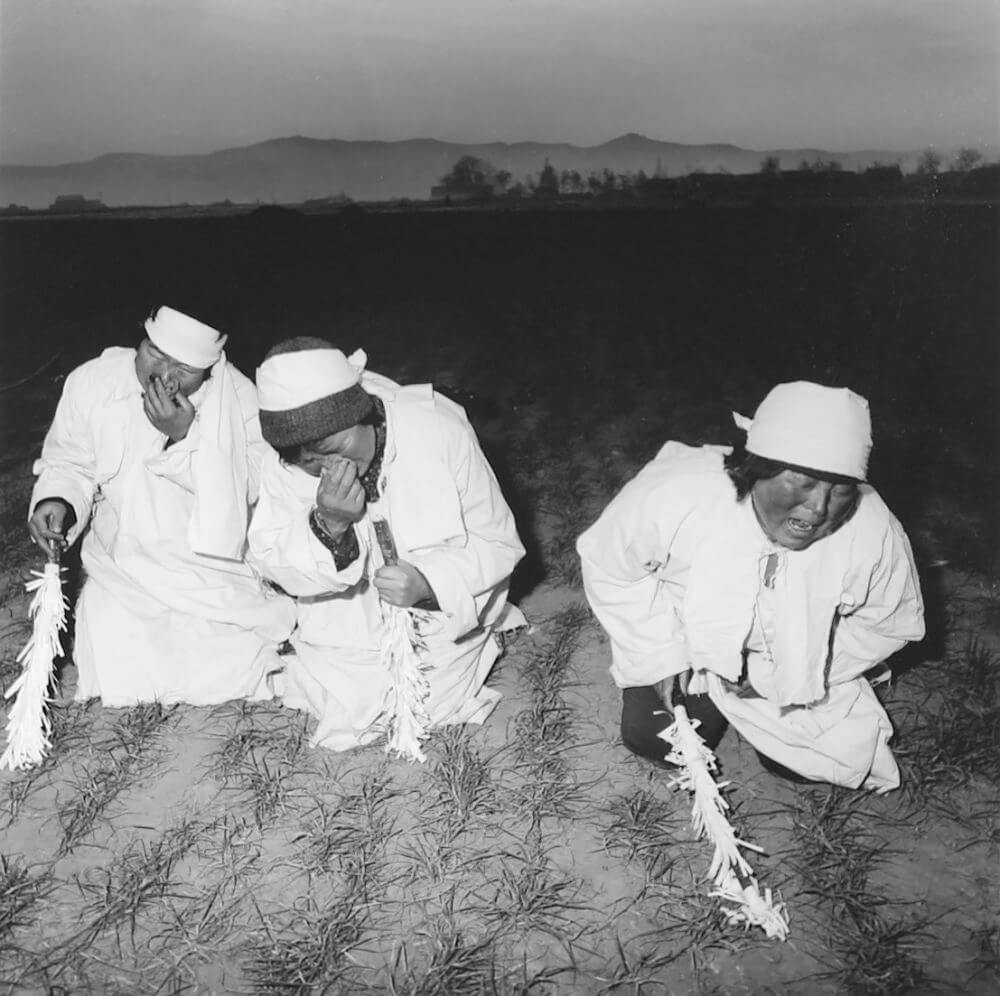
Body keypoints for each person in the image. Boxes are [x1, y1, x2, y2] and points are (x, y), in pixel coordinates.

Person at [576, 381, 925, 792]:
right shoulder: (678, 494)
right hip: (687, 634)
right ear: (756, 467)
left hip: (795, 651)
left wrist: (780, 676)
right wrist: (660, 655)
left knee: (816, 763)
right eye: (803, 481)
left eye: (841, 489)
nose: (818, 508)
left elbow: (889, 624)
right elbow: (611, 565)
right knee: (653, 738)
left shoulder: (872, 531)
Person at [247, 336, 526, 753]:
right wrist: (330, 524)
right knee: (349, 703)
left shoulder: (438, 429)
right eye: (307, 462)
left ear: (362, 414)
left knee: (424, 704)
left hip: (441, 621)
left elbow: (499, 543)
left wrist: (428, 584)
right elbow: (270, 557)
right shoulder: (286, 460)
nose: (326, 470)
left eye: (330, 450)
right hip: (343, 632)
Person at [28, 305, 295, 706]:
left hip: (208, 570)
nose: (165, 376)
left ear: (209, 368)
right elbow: (68, 460)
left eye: (184, 369)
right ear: (141, 339)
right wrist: (56, 499)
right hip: (122, 566)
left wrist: (185, 438)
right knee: (121, 666)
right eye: (156, 354)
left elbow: (254, 488)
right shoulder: (92, 382)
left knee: (227, 666)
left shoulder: (239, 397)